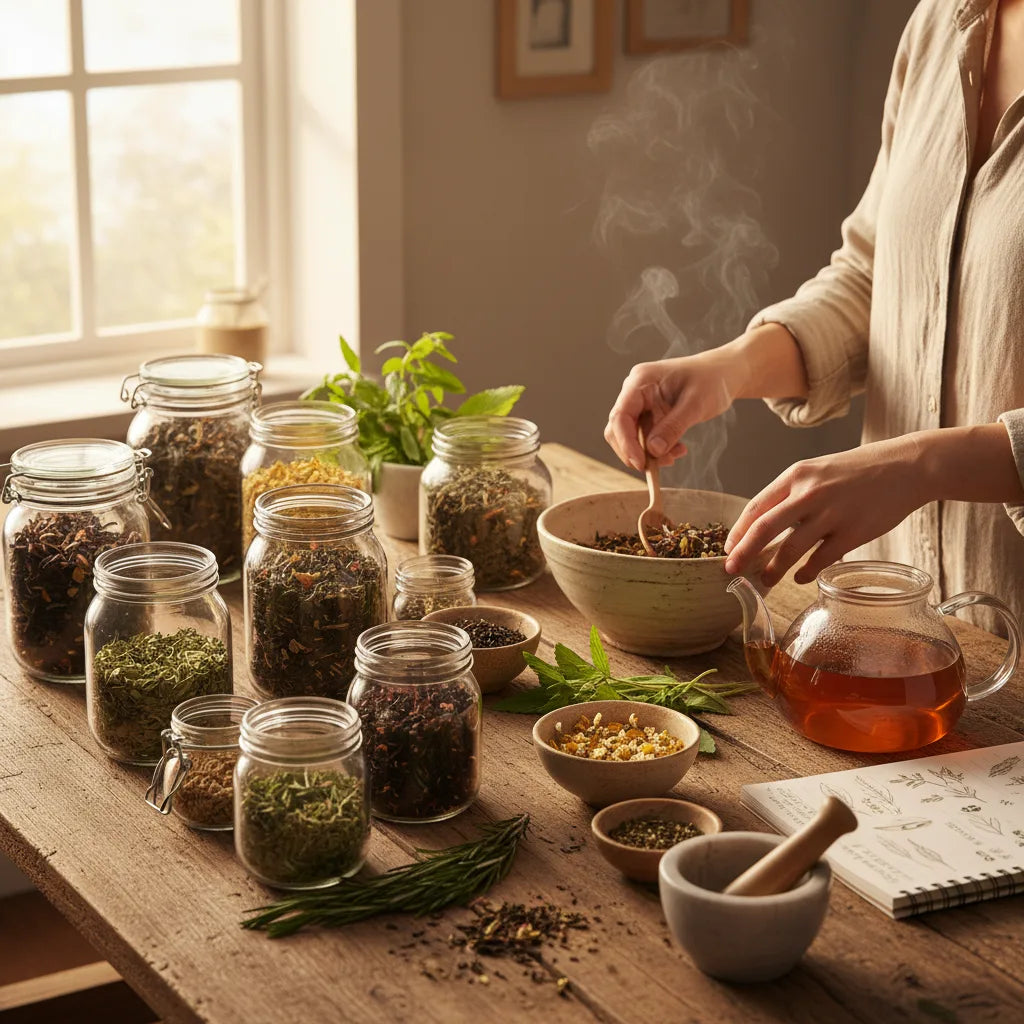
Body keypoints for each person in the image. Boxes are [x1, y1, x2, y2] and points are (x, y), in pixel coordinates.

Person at [605, 0, 1024, 636]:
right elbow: (875, 278)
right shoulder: (942, 22)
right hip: (894, 623)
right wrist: (732, 367)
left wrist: (921, 466)